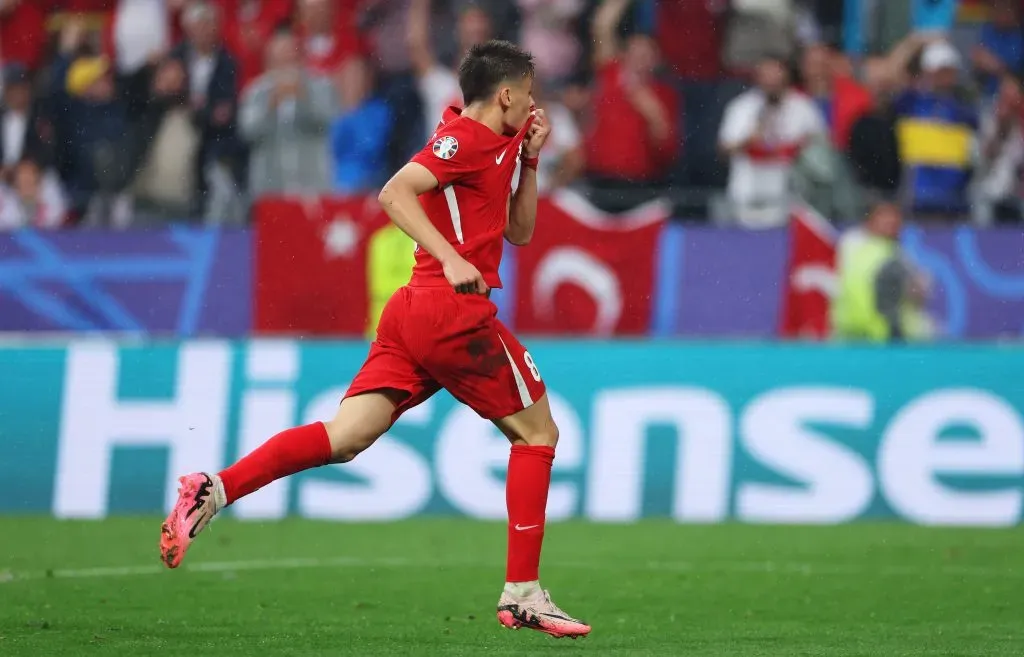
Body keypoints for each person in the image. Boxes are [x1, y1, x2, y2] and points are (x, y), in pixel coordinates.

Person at [160, 39, 592, 640]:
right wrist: (450, 257)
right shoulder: (462, 139)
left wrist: (533, 161)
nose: (534, 105)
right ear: (507, 94)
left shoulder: (502, 145)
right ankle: (522, 592)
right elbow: (393, 191)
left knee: (346, 437)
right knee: (539, 433)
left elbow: (519, 233)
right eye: (529, 93)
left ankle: (215, 488)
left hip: (412, 317)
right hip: (451, 310)